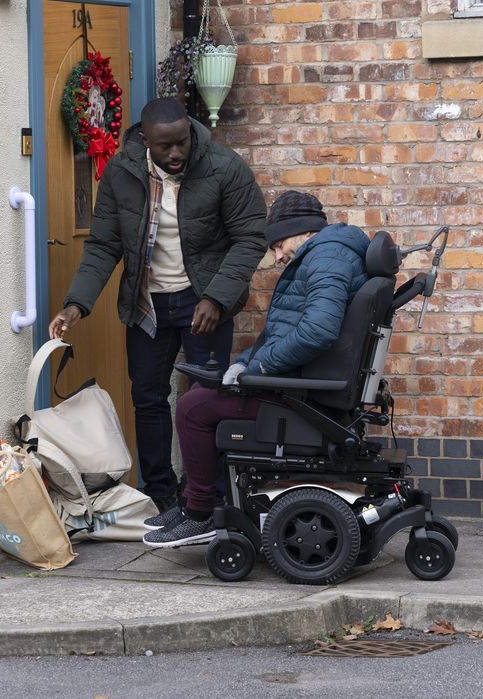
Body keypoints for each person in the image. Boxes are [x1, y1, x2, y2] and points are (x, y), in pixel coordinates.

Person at [48, 97, 267, 513]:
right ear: (145, 141)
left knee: (205, 397)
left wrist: (216, 298)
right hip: (147, 303)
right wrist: (77, 304)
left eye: (182, 142)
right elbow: (103, 244)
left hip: (204, 300)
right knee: (147, 397)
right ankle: (159, 492)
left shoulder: (223, 167)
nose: (176, 153)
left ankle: (207, 492)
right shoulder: (121, 171)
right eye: (165, 146)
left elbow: (250, 237)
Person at [143, 190, 372, 547]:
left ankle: (201, 512)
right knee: (202, 390)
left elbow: (318, 329)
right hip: (299, 384)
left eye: (279, 244)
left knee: (191, 408)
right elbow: (283, 332)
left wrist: (261, 366)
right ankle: (192, 502)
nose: (278, 256)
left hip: (304, 397)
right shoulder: (328, 253)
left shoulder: (327, 256)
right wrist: (244, 363)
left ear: (304, 232)